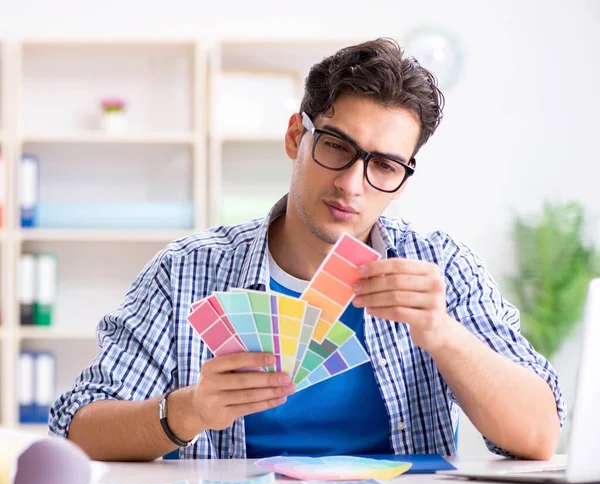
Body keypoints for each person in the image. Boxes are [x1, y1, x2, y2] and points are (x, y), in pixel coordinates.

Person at [50, 38, 564, 462]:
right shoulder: (186, 269)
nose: (352, 184)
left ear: (404, 178)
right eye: (337, 146)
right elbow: (77, 431)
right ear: (297, 136)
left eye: (384, 165)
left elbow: (539, 436)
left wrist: (442, 333)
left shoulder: (441, 266)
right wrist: (189, 412)